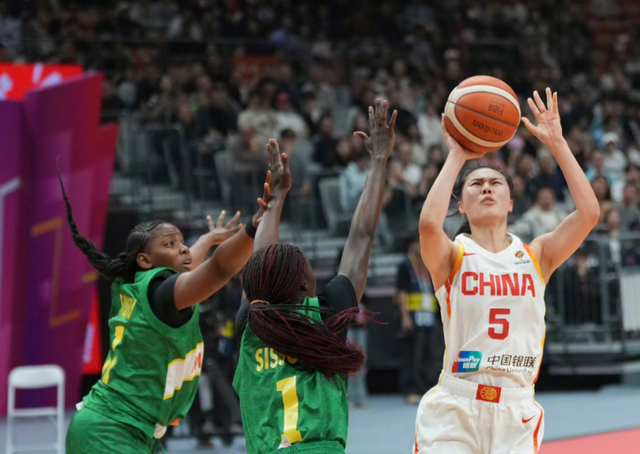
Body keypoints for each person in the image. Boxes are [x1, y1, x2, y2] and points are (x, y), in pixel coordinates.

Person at [415, 89, 599, 453]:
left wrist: (558, 143)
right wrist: (457, 156)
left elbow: (589, 213)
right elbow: (428, 225)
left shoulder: (537, 255)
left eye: (495, 183)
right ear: (461, 205)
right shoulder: (453, 255)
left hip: (517, 409)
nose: (486, 187)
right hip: (457, 405)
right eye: (476, 184)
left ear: (511, 203)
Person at [64, 165, 274, 453]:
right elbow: (220, 268)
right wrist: (254, 226)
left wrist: (207, 239)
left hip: (129, 428)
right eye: (170, 244)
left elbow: (189, 263)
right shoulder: (161, 292)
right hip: (111, 430)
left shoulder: (139, 285)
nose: (184, 248)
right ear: (145, 260)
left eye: (182, 242)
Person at [233, 99, 398, 454]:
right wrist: (378, 161)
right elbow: (361, 237)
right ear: (305, 284)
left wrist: (276, 199)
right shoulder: (325, 318)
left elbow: (262, 262)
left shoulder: (251, 323)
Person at [395, 234, 441, 404]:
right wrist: (405, 316)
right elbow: (402, 292)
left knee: (429, 356)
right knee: (412, 355)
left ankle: (426, 388)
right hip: (414, 317)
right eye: (419, 243)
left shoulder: (427, 264)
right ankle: (410, 390)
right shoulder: (405, 265)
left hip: (428, 317)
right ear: (412, 245)